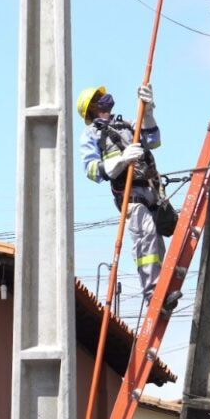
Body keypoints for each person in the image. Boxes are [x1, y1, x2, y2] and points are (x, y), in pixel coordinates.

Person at [77, 83, 166, 300]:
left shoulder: (126, 123)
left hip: (152, 190)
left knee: (158, 242)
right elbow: (92, 171)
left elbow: (153, 141)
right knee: (145, 235)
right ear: (92, 109)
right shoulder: (91, 135)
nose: (104, 99)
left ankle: (165, 289)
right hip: (129, 194)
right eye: (98, 98)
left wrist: (148, 112)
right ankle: (153, 294)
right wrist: (123, 160)